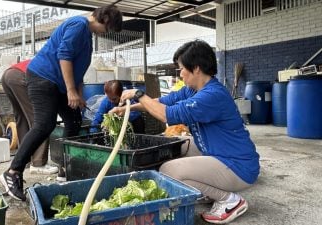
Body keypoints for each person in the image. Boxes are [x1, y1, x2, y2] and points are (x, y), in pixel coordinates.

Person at [110, 40, 260, 224]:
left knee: (168, 171)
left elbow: (167, 115)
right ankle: (204, 189)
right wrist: (127, 109)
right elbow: (162, 102)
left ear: (196, 68)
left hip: (238, 166)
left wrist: (138, 94)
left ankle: (229, 200)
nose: (180, 73)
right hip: (219, 153)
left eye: (181, 69)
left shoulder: (211, 96)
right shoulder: (193, 90)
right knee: (178, 145)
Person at [0, 5, 123, 201]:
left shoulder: (87, 36)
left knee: (74, 119)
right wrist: (71, 91)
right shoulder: (79, 25)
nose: (106, 33)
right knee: (44, 124)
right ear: (105, 20)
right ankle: (13, 171)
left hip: (58, 85)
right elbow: (64, 56)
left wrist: (79, 95)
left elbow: (78, 71)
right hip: (43, 78)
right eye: (108, 29)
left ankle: (65, 170)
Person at [1, 59, 58, 175]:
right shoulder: (62, 63)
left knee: (21, 117)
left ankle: (24, 159)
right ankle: (38, 163)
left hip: (8, 75)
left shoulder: (49, 57)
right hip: (21, 76)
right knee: (41, 120)